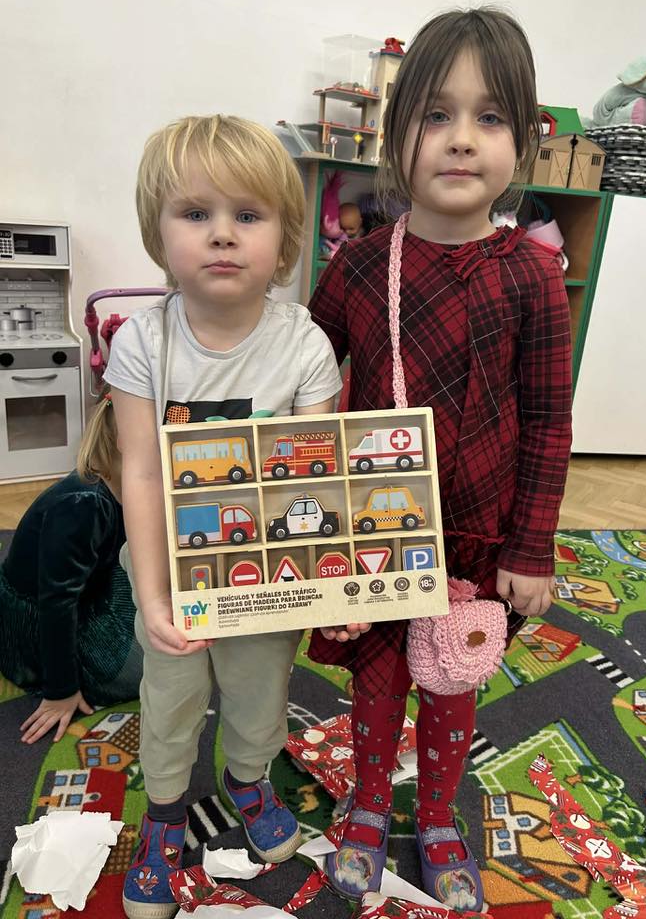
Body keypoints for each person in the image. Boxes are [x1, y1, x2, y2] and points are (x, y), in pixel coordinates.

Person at [308, 7, 573, 909]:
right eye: (436, 115)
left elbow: (549, 421)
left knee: (453, 678)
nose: (462, 139)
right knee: (379, 679)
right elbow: (305, 385)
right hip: (379, 531)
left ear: (522, 139)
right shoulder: (356, 266)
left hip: (478, 540)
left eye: (489, 117)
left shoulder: (533, 275)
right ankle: (371, 802)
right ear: (397, 135)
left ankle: (438, 814)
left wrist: (530, 546)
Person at [104, 114, 342, 919]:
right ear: (158, 231)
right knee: (169, 699)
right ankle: (165, 817)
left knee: (258, 692)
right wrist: (152, 597)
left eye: (247, 214)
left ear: (285, 237)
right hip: (171, 568)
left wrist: (328, 587)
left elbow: (318, 481)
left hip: (266, 576)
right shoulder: (144, 342)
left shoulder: (305, 345)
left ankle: (248, 781)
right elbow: (140, 470)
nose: (222, 234)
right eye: (195, 213)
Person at [0, 388, 141, 745]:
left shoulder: (121, 486)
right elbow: (56, 602)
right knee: (148, 668)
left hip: (93, 590)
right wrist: (60, 690)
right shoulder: (83, 505)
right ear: (126, 440)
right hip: (41, 624)